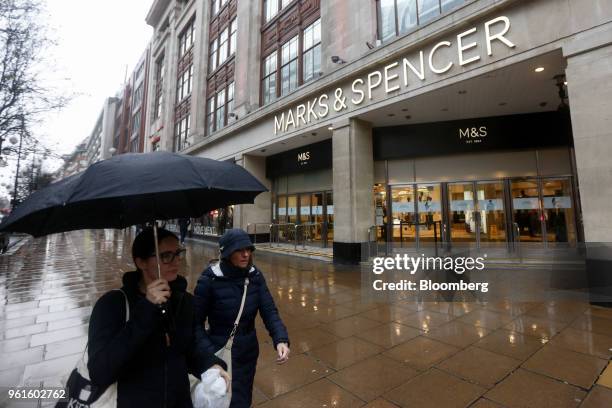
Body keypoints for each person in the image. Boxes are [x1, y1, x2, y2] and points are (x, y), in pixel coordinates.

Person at [87, 227, 229, 407]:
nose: (176, 261)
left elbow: (191, 347)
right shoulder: (112, 305)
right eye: (166, 256)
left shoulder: (184, 301)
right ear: (141, 262)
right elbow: (99, 371)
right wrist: (146, 310)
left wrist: (210, 364)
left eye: (178, 253)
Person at [193, 228, 290, 407]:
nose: (246, 254)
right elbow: (194, 325)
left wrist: (280, 339)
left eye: (248, 249)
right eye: (239, 250)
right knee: (224, 397)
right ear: (227, 253)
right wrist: (208, 354)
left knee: (243, 394)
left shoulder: (255, 276)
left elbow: (269, 310)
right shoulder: (209, 280)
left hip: (248, 350)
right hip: (220, 351)